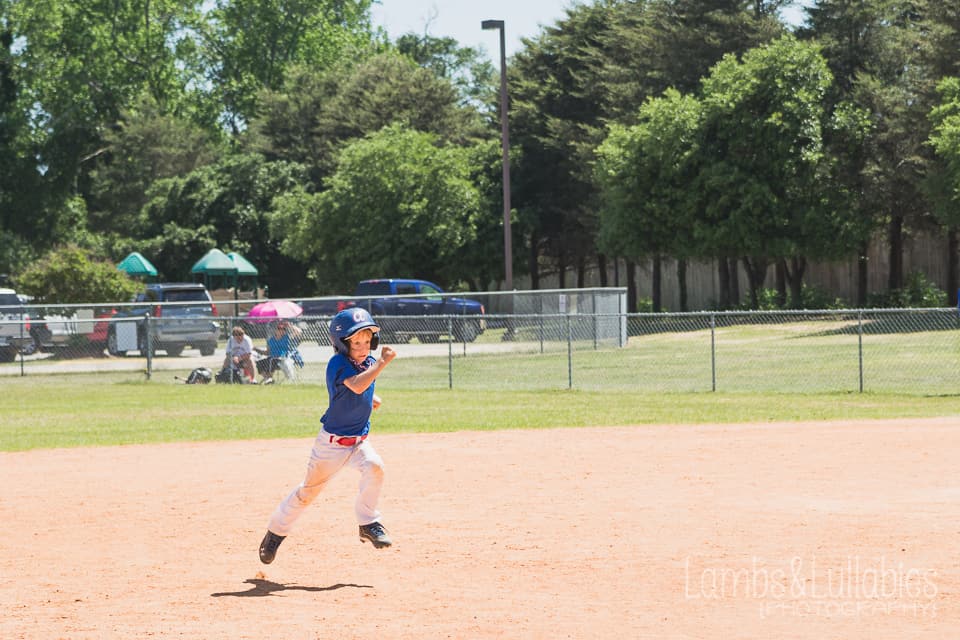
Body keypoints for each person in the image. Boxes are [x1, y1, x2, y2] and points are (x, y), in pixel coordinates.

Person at [259, 307, 397, 564]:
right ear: (342, 344)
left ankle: (368, 523)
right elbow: (356, 384)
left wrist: (371, 397)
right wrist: (382, 363)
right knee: (307, 494)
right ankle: (275, 533)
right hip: (331, 447)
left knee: (376, 467)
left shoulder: (366, 363)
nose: (363, 346)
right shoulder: (338, 364)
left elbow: (361, 386)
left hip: (358, 443)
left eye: (368, 341)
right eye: (356, 342)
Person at [255, 320, 303, 384]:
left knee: (273, 360)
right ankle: (268, 378)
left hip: (282, 358)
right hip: (271, 358)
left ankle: (269, 379)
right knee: (259, 362)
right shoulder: (271, 340)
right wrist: (256, 349)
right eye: (279, 328)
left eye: (284, 329)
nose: (282, 330)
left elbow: (299, 332)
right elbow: (267, 352)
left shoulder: (287, 337)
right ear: (275, 330)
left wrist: (290, 326)